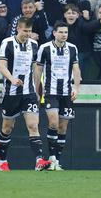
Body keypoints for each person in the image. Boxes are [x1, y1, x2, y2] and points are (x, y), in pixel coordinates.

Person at [0, 17, 51, 172]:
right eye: (25, 31)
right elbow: (1, 65)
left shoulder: (34, 45)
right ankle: (3, 162)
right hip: (11, 93)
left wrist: (37, 89)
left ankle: (39, 161)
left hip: (29, 93)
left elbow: (36, 69)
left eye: (29, 31)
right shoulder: (7, 43)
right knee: (7, 128)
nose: (27, 34)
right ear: (18, 29)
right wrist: (12, 79)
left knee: (33, 125)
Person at [35, 21, 81, 171]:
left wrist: (76, 88)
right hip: (51, 92)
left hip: (67, 93)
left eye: (66, 32)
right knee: (53, 123)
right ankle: (52, 157)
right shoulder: (45, 48)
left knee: (63, 127)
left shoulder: (73, 48)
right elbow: (38, 71)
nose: (64, 35)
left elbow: (76, 69)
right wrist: (37, 90)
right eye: (61, 32)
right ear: (54, 33)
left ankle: (57, 161)